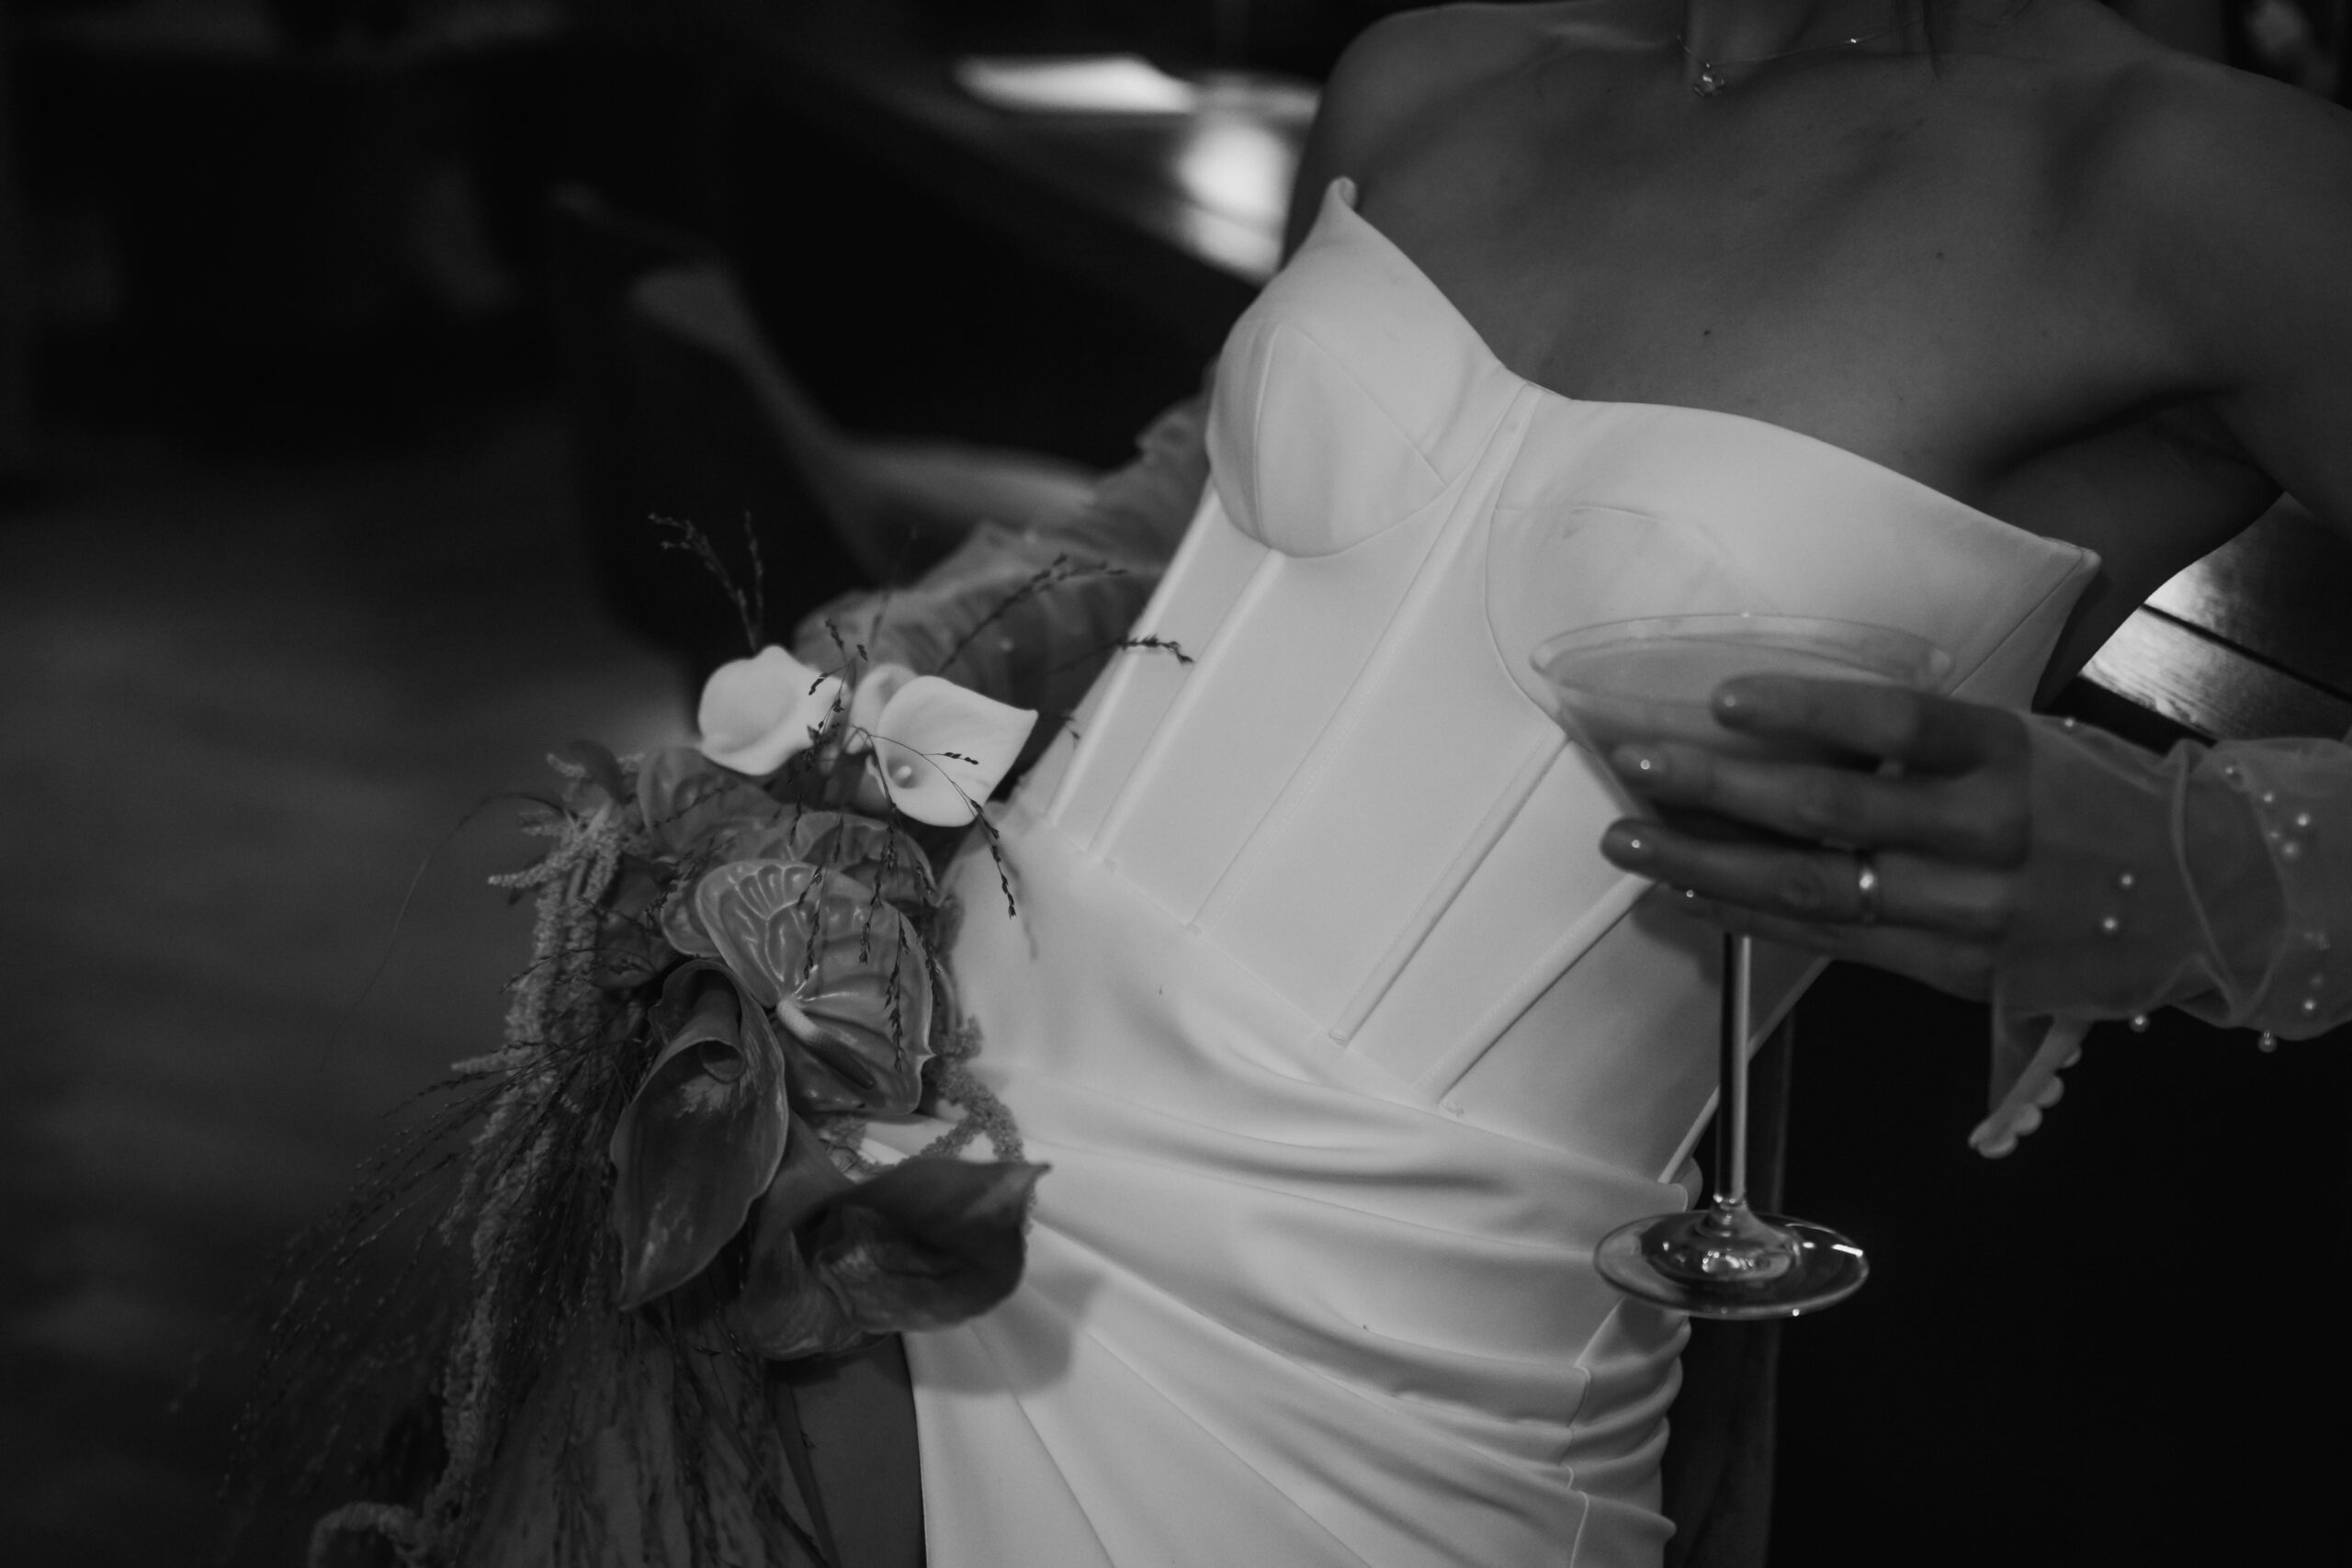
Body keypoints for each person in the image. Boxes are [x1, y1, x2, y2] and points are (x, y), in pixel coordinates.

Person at [434, 2, 2352, 1564]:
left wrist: (2187, 870)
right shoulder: (1435, 69)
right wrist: (912, 666)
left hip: (1384, 1354)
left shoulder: (2189, 190)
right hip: (892, 1139)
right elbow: (1211, 509)